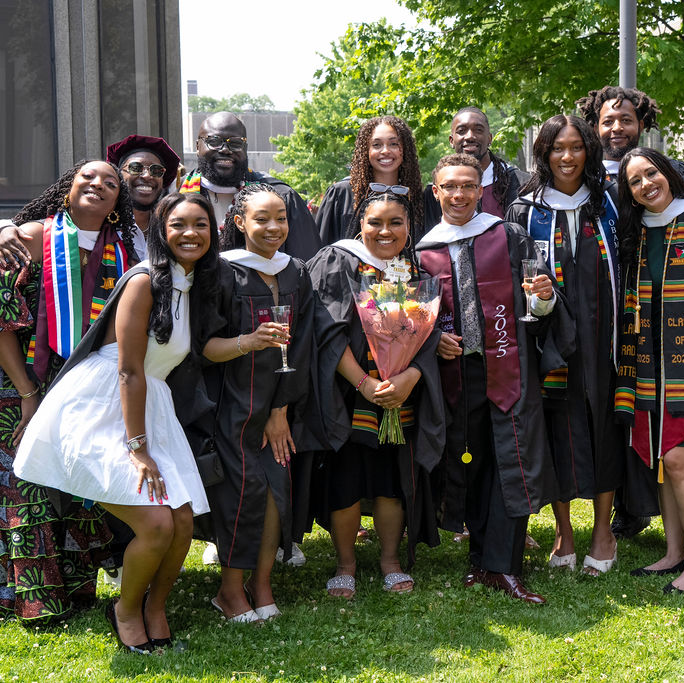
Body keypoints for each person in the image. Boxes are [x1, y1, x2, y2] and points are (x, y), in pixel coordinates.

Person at [0, 161, 137, 623]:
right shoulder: (28, 237)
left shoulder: (121, 251)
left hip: (63, 382)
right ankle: (19, 596)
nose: (99, 185)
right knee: (20, 474)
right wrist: (27, 391)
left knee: (61, 475)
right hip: (1, 376)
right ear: (66, 190)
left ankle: (68, 585)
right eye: (88, 178)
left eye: (111, 183)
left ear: (116, 205)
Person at [14, 192, 216, 652]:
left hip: (151, 402)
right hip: (103, 404)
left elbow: (192, 355)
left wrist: (252, 340)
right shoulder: (144, 281)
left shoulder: (192, 284)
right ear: (160, 233)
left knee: (183, 523)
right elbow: (127, 369)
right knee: (156, 524)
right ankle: (125, 610)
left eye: (201, 225)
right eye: (178, 225)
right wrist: (138, 447)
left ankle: (155, 608)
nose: (190, 234)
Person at [417, 152, 571, 604]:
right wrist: (432, 343)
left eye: (469, 186)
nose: (460, 194)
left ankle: (503, 567)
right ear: (436, 191)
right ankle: (479, 561)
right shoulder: (423, 249)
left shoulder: (508, 236)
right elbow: (414, 319)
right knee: (472, 463)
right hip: (455, 376)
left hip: (507, 368)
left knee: (510, 464)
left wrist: (544, 296)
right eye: (451, 187)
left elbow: (542, 304)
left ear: (480, 190)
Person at [306, 188, 445, 598]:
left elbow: (427, 335)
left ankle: (390, 560)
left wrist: (410, 378)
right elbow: (326, 333)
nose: (385, 231)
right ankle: (345, 564)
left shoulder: (412, 270)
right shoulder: (338, 261)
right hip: (350, 394)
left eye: (396, 222)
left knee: (391, 479)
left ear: (408, 226)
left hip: (399, 396)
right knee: (346, 477)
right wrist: (364, 383)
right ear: (360, 224)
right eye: (375, 222)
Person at [505, 115, 621, 575]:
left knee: (605, 422)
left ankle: (602, 531)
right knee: (557, 426)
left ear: (589, 151)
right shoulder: (524, 209)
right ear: (544, 154)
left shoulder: (612, 203)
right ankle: (564, 531)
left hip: (607, 336)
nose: (567, 157)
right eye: (557, 148)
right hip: (550, 339)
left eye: (576, 147)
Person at [199, 183, 315, 621]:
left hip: (276, 408)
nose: (273, 227)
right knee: (241, 495)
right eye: (261, 218)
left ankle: (260, 583)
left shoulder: (296, 272)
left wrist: (281, 410)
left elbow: (303, 345)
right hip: (230, 406)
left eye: (280, 218)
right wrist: (247, 342)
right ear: (239, 222)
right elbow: (204, 346)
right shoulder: (222, 272)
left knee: (274, 496)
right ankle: (230, 591)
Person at [614, 147, 684, 594]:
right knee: (660, 459)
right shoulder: (636, 231)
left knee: (679, 458)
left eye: (651, 174)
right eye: (635, 181)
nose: (645, 185)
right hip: (648, 362)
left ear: (669, 173)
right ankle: (674, 553)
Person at [0, 135, 182, 265]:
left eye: (156, 171)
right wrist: (1, 229)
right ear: (119, 176)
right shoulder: (98, 221)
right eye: (135, 168)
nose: (147, 176)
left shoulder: (169, 227)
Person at [180, 111, 320, 260]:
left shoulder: (279, 195)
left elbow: (307, 264)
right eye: (214, 141)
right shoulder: (176, 193)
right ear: (197, 146)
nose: (225, 149)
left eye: (235, 143)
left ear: (245, 148)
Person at [576, 86, 684, 194]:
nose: (617, 128)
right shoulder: (585, 180)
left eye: (626, 120)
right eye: (608, 122)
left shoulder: (676, 173)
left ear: (640, 126)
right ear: (596, 129)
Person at [316, 115, 425, 245]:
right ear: (366, 150)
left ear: (405, 149)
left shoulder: (416, 199)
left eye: (394, 144)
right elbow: (322, 251)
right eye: (377, 145)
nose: (385, 151)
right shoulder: (341, 195)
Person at [422, 107, 529, 230]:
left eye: (478, 130)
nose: (470, 136)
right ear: (451, 140)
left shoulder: (522, 185)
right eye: (461, 131)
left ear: (489, 138)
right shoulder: (436, 193)